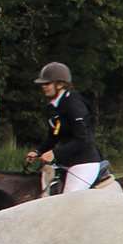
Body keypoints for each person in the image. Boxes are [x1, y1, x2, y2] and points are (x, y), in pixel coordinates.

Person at [25, 62, 106, 192]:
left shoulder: (74, 105)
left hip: (84, 163)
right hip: (64, 163)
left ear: (60, 84)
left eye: (47, 83)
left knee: (69, 200)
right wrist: (38, 151)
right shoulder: (52, 107)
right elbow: (53, 137)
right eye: (42, 84)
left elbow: (82, 140)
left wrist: (54, 153)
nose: (43, 87)